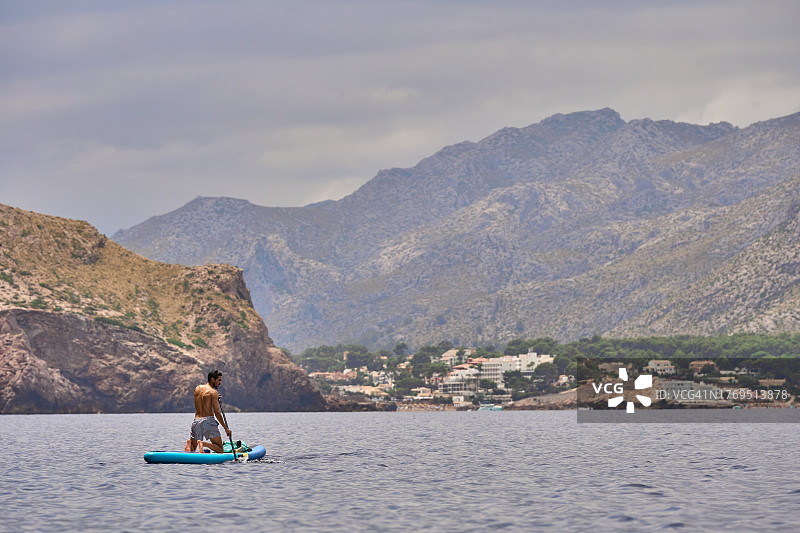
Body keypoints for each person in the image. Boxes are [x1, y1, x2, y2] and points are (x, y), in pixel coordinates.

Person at [185, 370, 232, 453]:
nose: (220, 382)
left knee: (192, 449)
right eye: (219, 380)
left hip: (197, 421)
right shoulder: (213, 392)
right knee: (220, 449)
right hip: (208, 421)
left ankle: (189, 443)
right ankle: (203, 443)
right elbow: (217, 412)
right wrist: (226, 428)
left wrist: (214, 398)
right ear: (212, 379)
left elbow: (204, 399)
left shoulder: (198, 388)